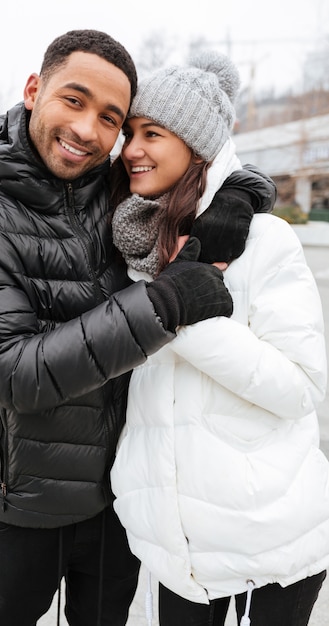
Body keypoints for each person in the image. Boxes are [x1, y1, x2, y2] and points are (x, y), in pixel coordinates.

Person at [0, 30, 272, 626]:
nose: (88, 130)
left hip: (121, 493)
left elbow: (202, 161)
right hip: (25, 500)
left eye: (111, 118)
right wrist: (163, 304)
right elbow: (12, 373)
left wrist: (239, 194)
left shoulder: (121, 194)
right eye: (74, 100)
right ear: (35, 91)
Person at [110, 51, 329, 626]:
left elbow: (302, 388)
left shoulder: (266, 241)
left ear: (197, 143)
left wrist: (184, 315)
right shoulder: (136, 242)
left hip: (269, 541)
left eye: (152, 133)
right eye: (130, 132)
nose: (132, 148)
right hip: (175, 546)